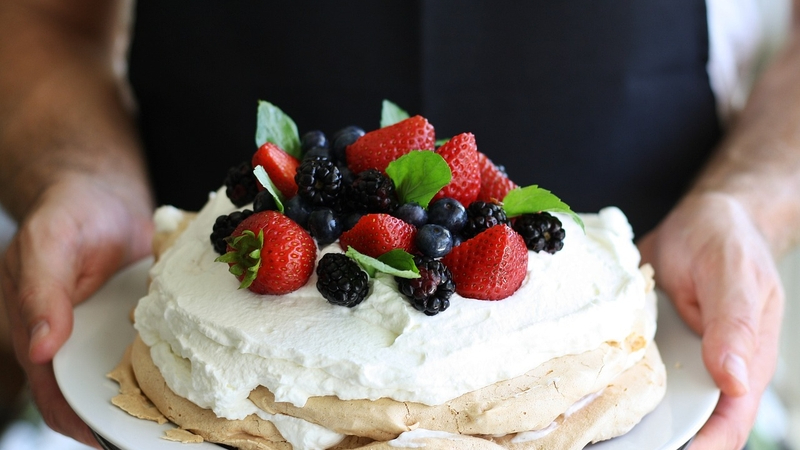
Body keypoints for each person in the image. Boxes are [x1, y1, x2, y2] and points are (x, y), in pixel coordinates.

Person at [0, 1, 798, 449]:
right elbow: (39, 19)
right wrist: (78, 175)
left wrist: (747, 203)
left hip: (637, 308)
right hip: (190, 294)